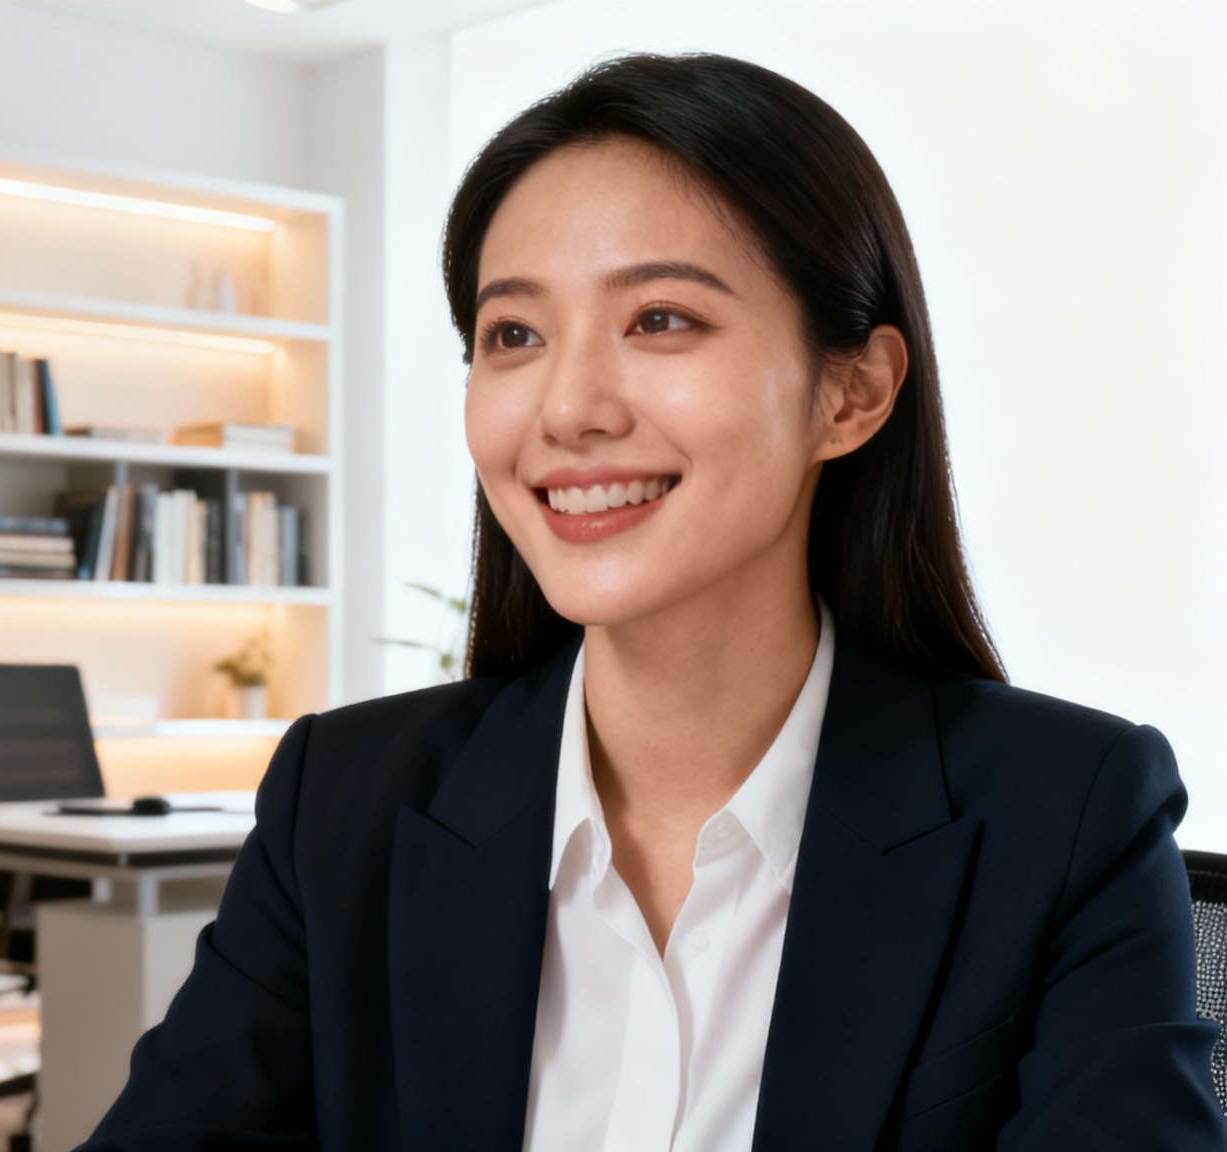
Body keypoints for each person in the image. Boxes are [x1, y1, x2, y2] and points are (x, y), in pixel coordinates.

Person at [80, 52, 1225, 1152]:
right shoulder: (343, 806)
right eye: (512, 335)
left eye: (659, 319)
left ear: (851, 393)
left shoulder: (1067, 819)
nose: (567, 407)